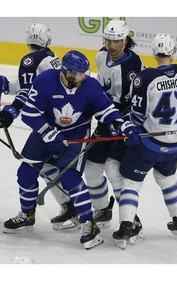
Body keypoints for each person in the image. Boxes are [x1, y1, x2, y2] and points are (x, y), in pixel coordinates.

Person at [3, 50, 124, 250]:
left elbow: (106, 109)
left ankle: (89, 223)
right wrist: (47, 132)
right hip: (45, 133)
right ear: (68, 72)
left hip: (76, 135)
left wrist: (120, 124)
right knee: (25, 173)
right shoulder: (45, 81)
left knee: (71, 178)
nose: (84, 76)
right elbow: (30, 112)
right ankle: (27, 214)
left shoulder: (90, 85)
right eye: (80, 73)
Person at [112, 33, 177, 249]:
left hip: (150, 143)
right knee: (167, 178)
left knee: (131, 182)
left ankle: (125, 228)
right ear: (173, 51)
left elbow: (138, 116)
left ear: (153, 53)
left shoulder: (145, 77)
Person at [0, 23, 78, 230]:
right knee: (50, 167)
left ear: (28, 41)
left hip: (47, 127)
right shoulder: (51, 57)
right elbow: (35, 86)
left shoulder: (30, 59)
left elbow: (27, 94)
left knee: (26, 172)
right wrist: (8, 85)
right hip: (65, 122)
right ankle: (71, 206)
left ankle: (27, 213)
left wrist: (11, 111)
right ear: (48, 41)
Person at [84, 19, 145, 234]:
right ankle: (102, 210)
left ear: (125, 40)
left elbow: (131, 103)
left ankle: (132, 220)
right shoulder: (102, 56)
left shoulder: (131, 67)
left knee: (112, 168)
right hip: (105, 118)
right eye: (108, 40)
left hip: (123, 122)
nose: (111, 46)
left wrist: (119, 124)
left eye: (116, 41)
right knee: (91, 168)